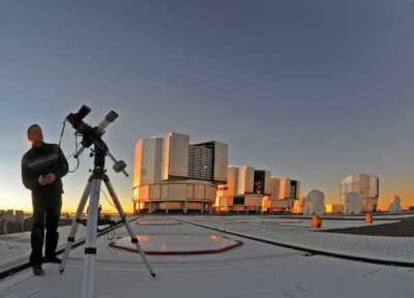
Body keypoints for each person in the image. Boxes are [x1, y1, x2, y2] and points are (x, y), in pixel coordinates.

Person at [21, 124, 69, 276]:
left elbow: (65, 166)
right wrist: (39, 182)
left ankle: (50, 255)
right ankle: (36, 261)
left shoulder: (54, 148)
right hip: (39, 195)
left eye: (40, 131)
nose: (39, 134)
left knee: (53, 225)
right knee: (38, 227)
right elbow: (26, 181)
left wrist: (54, 175)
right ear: (29, 137)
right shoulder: (27, 158)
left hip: (55, 192)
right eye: (35, 132)